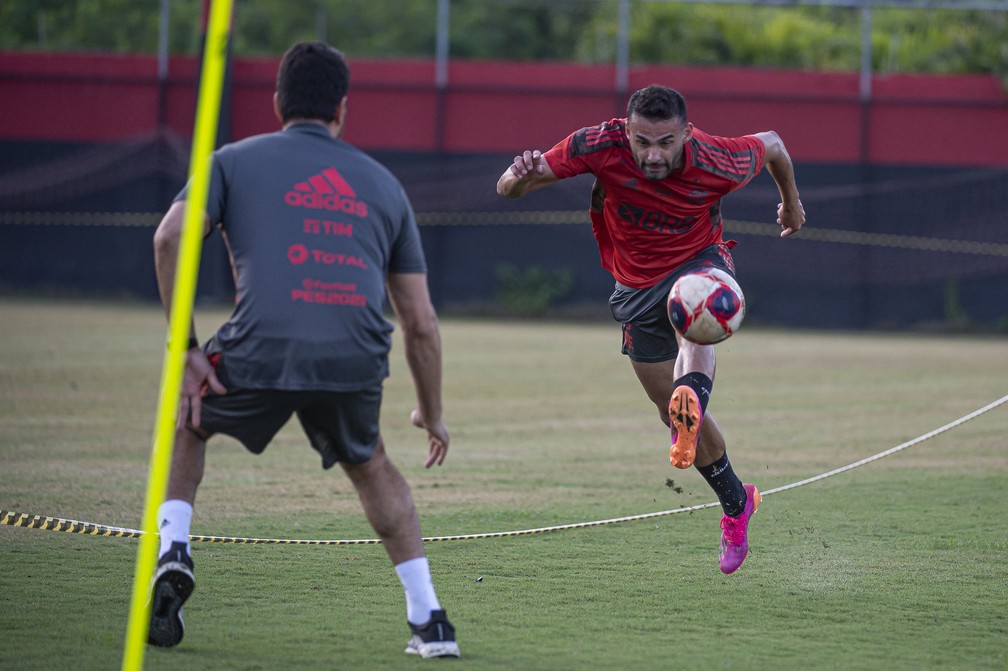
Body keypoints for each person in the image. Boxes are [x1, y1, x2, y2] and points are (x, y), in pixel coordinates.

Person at [149, 42, 460, 658]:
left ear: (275, 104)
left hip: (258, 347)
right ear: (343, 109)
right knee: (371, 463)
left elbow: (168, 238)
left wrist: (184, 347)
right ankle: (431, 622)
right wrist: (432, 410)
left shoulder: (231, 162)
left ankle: (173, 548)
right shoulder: (384, 184)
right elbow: (420, 323)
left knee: (188, 415)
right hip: (352, 356)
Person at [497, 84, 804, 575]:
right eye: (643, 141)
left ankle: (693, 392)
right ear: (627, 130)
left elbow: (773, 144)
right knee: (673, 415)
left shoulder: (715, 158)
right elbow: (509, 188)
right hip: (634, 283)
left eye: (665, 142)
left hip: (701, 262)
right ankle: (736, 502)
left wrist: (791, 203)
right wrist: (518, 177)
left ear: (686, 133)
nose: (653, 153)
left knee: (695, 316)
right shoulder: (598, 143)